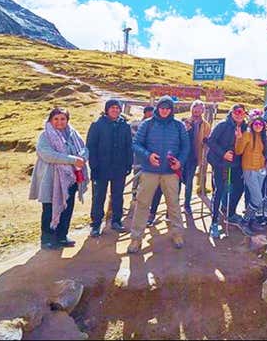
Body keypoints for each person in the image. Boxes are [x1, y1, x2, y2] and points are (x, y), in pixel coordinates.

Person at [128, 96, 190, 252]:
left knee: (173, 204)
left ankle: (177, 234)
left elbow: (186, 146)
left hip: (170, 172)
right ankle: (136, 238)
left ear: (171, 110)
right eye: (162, 108)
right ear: (157, 108)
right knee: (142, 204)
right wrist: (148, 155)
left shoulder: (178, 126)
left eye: (168, 108)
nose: (164, 111)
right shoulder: (147, 125)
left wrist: (180, 162)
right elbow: (135, 144)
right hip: (150, 171)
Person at [29, 108, 89, 250]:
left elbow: (84, 148)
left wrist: (83, 158)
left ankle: (62, 236)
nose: (59, 122)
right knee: (49, 208)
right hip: (52, 179)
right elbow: (47, 154)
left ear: (67, 120)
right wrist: (72, 160)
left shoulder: (73, 134)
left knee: (67, 208)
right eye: (56, 119)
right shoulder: (45, 136)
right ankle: (47, 239)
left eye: (63, 119)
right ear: (50, 120)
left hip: (70, 179)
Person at [87, 100, 133, 237]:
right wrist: (93, 166)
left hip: (119, 168)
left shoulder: (124, 126)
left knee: (117, 196)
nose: (115, 110)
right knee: (98, 196)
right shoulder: (97, 125)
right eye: (112, 108)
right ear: (107, 109)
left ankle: (116, 221)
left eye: (117, 108)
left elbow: (128, 146)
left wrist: (128, 164)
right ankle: (96, 224)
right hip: (101, 168)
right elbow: (91, 146)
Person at [206, 104, 247, 238]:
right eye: (236, 112)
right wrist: (223, 153)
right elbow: (210, 141)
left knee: (239, 187)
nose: (239, 114)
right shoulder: (222, 125)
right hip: (219, 162)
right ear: (232, 112)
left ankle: (230, 213)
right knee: (219, 190)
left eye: (242, 112)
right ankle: (214, 222)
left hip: (236, 164)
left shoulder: (245, 127)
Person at [235, 113, 267, 235]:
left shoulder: (263, 137)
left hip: (260, 170)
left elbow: (264, 152)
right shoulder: (247, 135)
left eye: (261, 124)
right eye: (256, 123)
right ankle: (244, 222)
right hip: (249, 169)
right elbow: (238, 151)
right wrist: (239, 138)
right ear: (252, 124)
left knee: (257, 197)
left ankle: (251, 220)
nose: (258, 126)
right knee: (257, 198)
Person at [183, 100, 212, 211]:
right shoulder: (185, 121)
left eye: (200, 108)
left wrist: (206, 141)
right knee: (177, 181)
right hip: (181, 156)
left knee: (189, 181)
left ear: (203, 110)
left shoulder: (205, 125)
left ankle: (187, 204)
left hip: (194, 156)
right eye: (195, 107)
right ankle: (172, 207)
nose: (197, 110)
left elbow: (208, 139)